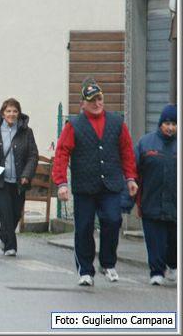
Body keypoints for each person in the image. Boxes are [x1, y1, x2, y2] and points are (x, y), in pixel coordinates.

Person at [52, 79, 138, 287]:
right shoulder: (74, 125)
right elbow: (62, 153)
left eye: (99, 99)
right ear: (83, 103)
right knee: (84, 227)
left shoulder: (117, 123)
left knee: (112, 220)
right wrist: (62, 183)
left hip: (110, 183)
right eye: (91, 100)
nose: (97, 103)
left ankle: (108, 263)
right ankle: (85, 270)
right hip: (85, 186)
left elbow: (126, 151)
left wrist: (131, 178)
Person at [0, 98, 38, 257]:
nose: (11, 114)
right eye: (8, 111)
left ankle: (3, 235)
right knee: (5, 214)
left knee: (15, 214)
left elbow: (33, 156)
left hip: (19, 181)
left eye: (14, 111)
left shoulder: (27, 132)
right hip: (0, 181)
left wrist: (27, 174)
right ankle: (10, 247)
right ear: (2, 113)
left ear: (19, 113)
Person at [135, 104, 177, 286]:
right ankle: (156, 271)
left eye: (174, 124)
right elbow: (133, 172)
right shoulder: (145, 143)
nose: (170, 127)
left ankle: (174, 265)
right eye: (167, 123)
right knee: (154, 242)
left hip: (176, 206)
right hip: (151, 203)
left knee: (174, 241)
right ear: (160, 123)